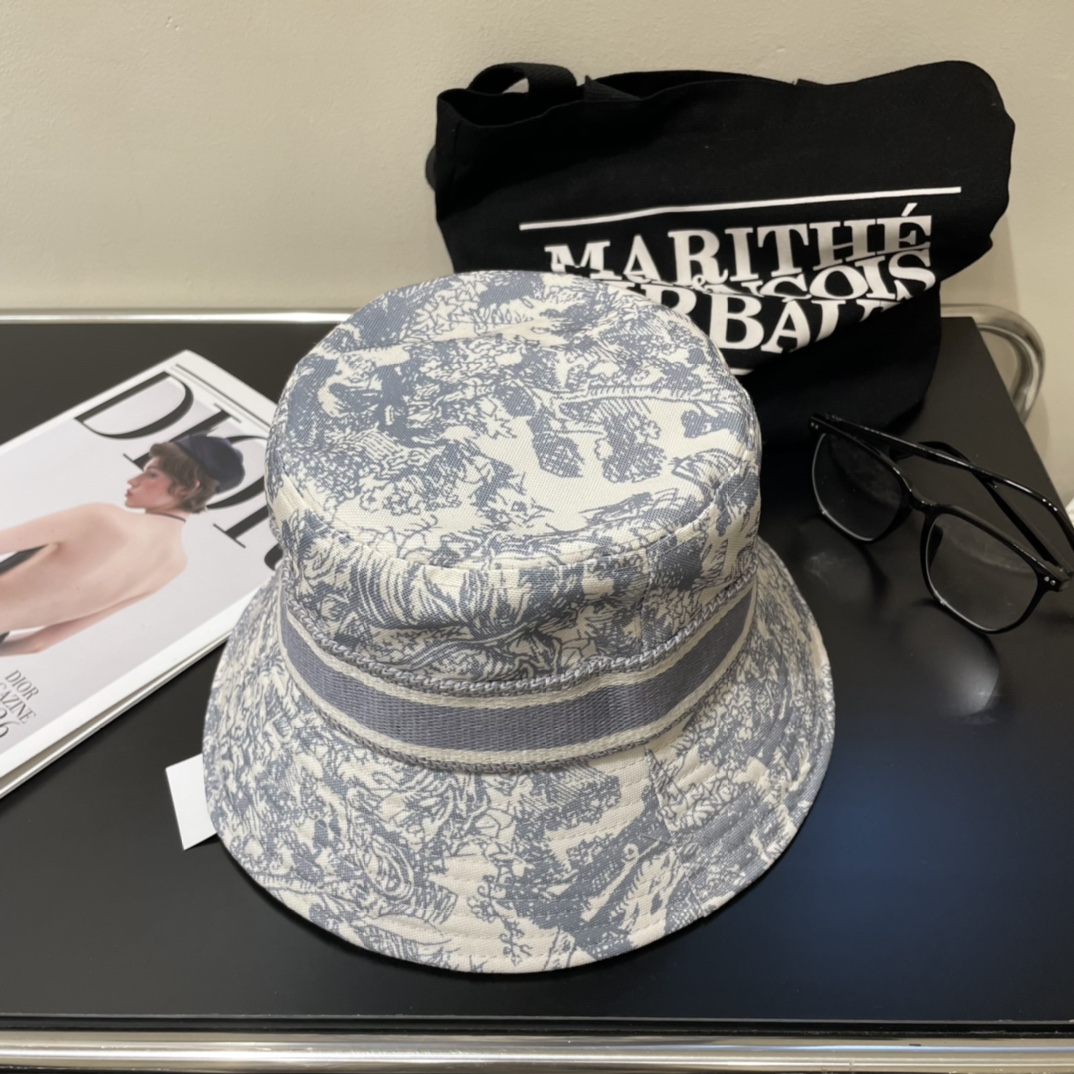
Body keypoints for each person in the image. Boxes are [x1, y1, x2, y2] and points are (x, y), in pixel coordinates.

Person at [0, 434, 244, 656]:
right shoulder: (173, 565)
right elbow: (38, 644)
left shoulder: (102, 517)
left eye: (152, 474)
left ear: (188, 487)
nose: (133, 480)